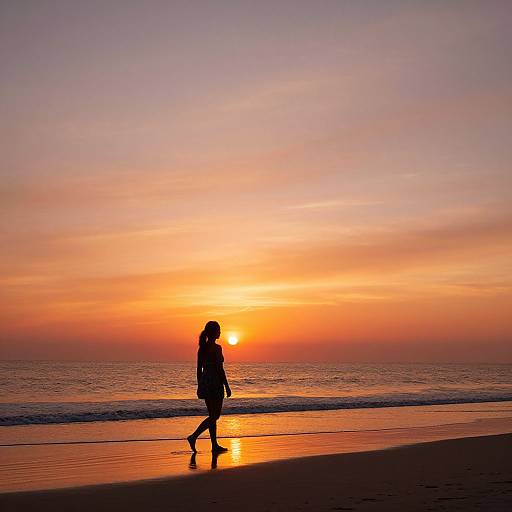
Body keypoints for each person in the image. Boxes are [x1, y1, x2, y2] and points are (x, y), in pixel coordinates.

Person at [187, 320, 232, 453]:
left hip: (206, 382)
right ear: (213, 332)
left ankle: (214, 445)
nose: (220, 332)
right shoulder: (217, 348)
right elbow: (220, 369)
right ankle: (193, 436)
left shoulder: (202, 348)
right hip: (215, 383)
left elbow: (198, 369)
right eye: (218, 330)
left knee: (212, 415)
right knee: (214, 416)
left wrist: (200, 385)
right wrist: (227, 386)